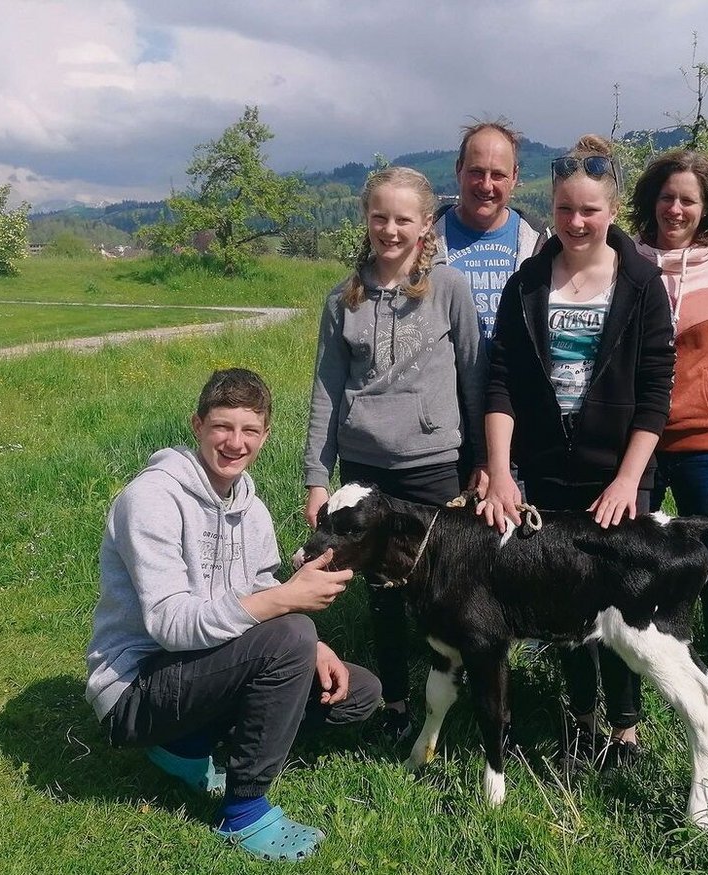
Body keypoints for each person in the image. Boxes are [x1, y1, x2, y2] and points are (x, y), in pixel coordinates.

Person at [85, 368, 381, 864]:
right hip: (135, 690)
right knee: (291, 634)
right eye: (222, 426)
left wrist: (316, 646)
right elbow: (169, 624)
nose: (234, 442)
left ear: (265, 436)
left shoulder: (253, 509)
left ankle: (189, 745)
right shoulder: (152, 499)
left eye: (249, 431)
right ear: (197, 424)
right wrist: (288, 605)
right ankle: (244, 810)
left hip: (205, 672)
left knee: (359, 690)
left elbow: (262, 588)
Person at [477, 135, 675, 768]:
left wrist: (626, 481)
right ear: (552, 208)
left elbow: (654, 393)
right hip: (547, 472)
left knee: (623, 604)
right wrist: (504, 472)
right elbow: (501, 380)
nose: (577, 222)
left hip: (619, 476)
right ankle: (580, 722)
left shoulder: (642, 284)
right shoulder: (529, 282)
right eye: (565, 209)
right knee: (566, 600)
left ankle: (625, 731)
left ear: (611, 211)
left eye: (590, 210)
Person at [303, 166, 486, 743]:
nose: (390, 229)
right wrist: (316, 476)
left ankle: (458, 695)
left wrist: (484, 460)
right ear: (366, 219)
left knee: (448, 587)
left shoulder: (450, 288)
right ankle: (394, 702)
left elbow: (474, 378)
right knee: (381, 592)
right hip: (363, 470)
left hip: (435, 463)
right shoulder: (342, 299)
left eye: (403, 218)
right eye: (379, 216)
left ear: (425, 224)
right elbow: (326, 390)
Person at [629, 148, 708, 714]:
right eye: (666, 197)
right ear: (651, 201)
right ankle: (628, 700)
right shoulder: (626, 264)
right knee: (630, 568)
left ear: (706, 209)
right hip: (636, 444)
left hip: (704, 446)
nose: (674, 209)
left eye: (687, 199)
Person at [434, 119, 548, 351]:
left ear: (514, 177)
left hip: (514, 384)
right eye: (476, 172)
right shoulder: (425, 238)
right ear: (459, 169)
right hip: (446, 385)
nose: (486, 185)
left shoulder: (540, 241)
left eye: (497, 175)